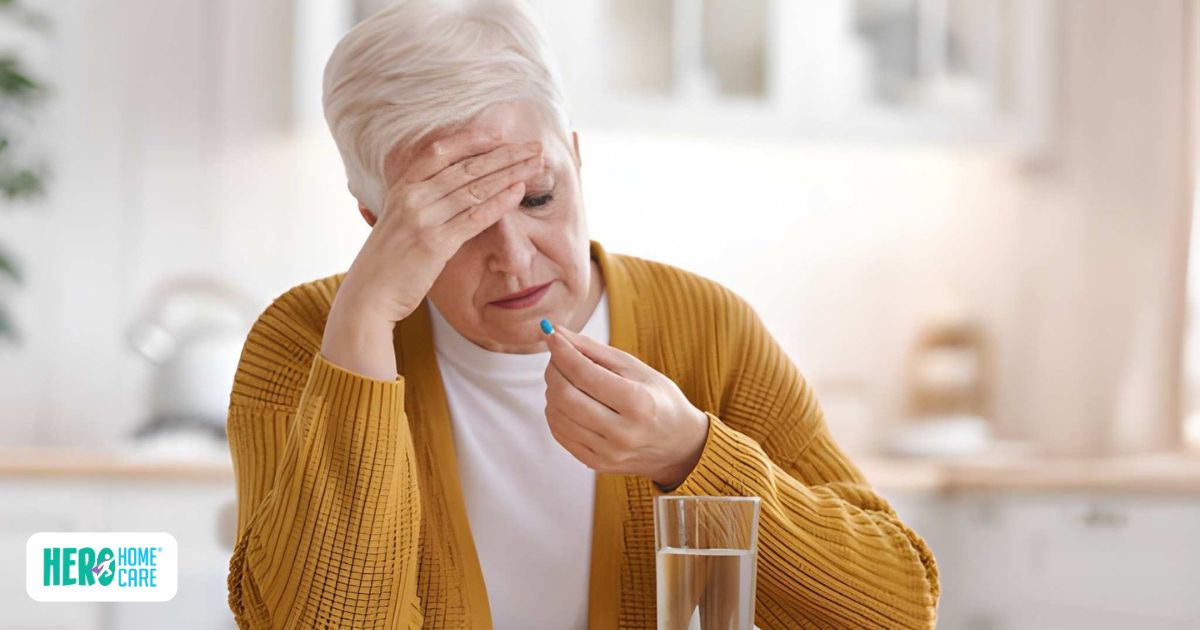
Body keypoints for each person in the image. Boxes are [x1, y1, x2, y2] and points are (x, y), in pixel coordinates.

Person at [224, 1, 939, 628]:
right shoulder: (304, 342)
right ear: (376, 222)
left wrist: (691, 453)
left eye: (537, 198)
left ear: (574, 156)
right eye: (455, 222)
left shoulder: (708, 329)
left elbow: (898, 609)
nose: (515, 259)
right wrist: (364, 320)